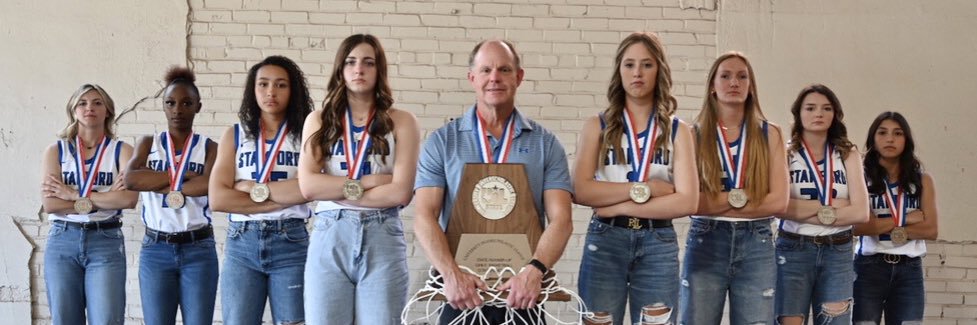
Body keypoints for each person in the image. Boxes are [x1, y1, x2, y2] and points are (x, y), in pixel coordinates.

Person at [412, 39, 574, 324]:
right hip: (461, 291)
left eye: (504, 69)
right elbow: (424, 215)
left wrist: (535, 271)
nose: (494, 78)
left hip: (524, 292)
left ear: (519, 77)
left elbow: (562, 219)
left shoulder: (546, 144)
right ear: (472, 78)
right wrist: (452, 275)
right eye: (486, 70)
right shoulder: (442, 141)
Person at [572, 32, 698, 325]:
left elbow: (688, 200)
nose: (637, 72)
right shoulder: (597, 126)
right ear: (619, 71)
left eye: (647, 64)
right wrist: (648, 189)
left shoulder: (679, 131)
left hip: (657, 241)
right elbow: (580, 190)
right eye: (629, 65)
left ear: (660, 71)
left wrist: (616, 204)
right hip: (606, 240)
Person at [298, 34, 420, 324]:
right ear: (340, 69)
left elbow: (401, 192)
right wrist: (370, 182)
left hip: (382, 234)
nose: (359, 69)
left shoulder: (402, 121)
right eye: (351, 62)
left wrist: (335, 188)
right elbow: (309, 186)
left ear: (379, 70)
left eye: (368, 63)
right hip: (330, 232)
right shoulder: (319, 120)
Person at [678, 52, 789, 325]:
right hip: (707, 238)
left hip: (757, 240)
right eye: (725, 76)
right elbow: (690, 202)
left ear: (751, 87)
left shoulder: (769, 133)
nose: (734, 82)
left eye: (742, 76)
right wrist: (743, 198)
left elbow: (779, 202)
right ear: (712, 86)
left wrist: (717, 201)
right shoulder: (692, 135)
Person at [209, 55, 313, 325]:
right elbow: (218, 198)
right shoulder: (234, 135)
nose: (271, 92)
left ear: (293, 91)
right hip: (242, 243)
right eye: (263, 84)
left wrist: (250, 189)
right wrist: (283, 197)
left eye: (281, 85)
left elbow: (309, 189)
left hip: (291, 241)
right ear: (252, 90)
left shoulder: (306, 135)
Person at [124, 66, 219, 325]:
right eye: (171, 103)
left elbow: (210, 185)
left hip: (198, 248)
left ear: (198, 106)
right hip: (156, 248)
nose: (178, 110)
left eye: (187, 103)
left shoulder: (209, 147)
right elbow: (131, 180)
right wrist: (182, 177)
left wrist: (155, 181)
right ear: (163, 106)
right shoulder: (148, 143)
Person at [40, 84, 137, 324]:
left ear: (108, 111)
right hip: (63, 239)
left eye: (97, 102)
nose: (89, 108)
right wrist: (103, 199)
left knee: (106, 319)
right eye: (82, 103)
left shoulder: (122, 151)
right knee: (65, 319)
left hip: (105, 240)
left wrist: (72, 195)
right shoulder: (56, 151)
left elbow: (128, 199)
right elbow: (51, 204)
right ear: (73, 111)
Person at [775, 84, 869, 325]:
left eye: (826, 108)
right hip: (792, 248)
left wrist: (800, 208)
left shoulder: (848, 154)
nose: (819, 113)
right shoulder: (783, 153)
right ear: (799, 113)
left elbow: (861, 212)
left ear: (835, 114)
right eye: (810, 108)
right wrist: (834, 207)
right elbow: (778, 206)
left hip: (836, 250)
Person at [852, 111, 938, 324]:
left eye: (897, 133)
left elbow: (931, 230)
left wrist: (878, 225)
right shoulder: (861, 178)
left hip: (909, 270)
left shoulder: (922, 180)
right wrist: (906, 219)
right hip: (868, 266)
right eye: (882, 133)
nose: (889, 139)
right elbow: (859, 226)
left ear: (906, 140)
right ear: (873, 138)